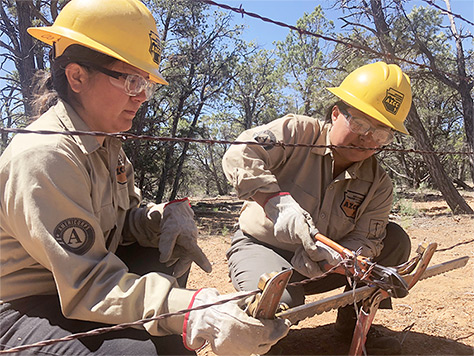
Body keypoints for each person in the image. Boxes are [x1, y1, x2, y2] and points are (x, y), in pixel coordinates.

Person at [0, 0, 289, 355]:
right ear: (77, 76)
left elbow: (120, 223)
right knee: (140, 352)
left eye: (146, 84)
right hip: (23, 306)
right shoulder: (45, 156)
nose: (141, 98)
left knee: (163, 274)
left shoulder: (107, 145)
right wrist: (196, 312)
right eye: (132, 81)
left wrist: (159, 220)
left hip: (74, 288)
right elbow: (88, 282)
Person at [222, 61, 413, 354]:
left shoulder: (379, 183)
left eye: (381, 134)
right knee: (276, 310)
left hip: (325, 266)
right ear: (336, 113)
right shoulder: (298, 132)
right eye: (360, 124)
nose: (367, 139)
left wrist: (337, 259)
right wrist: (276, 204)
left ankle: (353, 327)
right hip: (264, 248)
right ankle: (270, 327)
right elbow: (240, 151)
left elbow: (368, 240)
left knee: (395, 240)